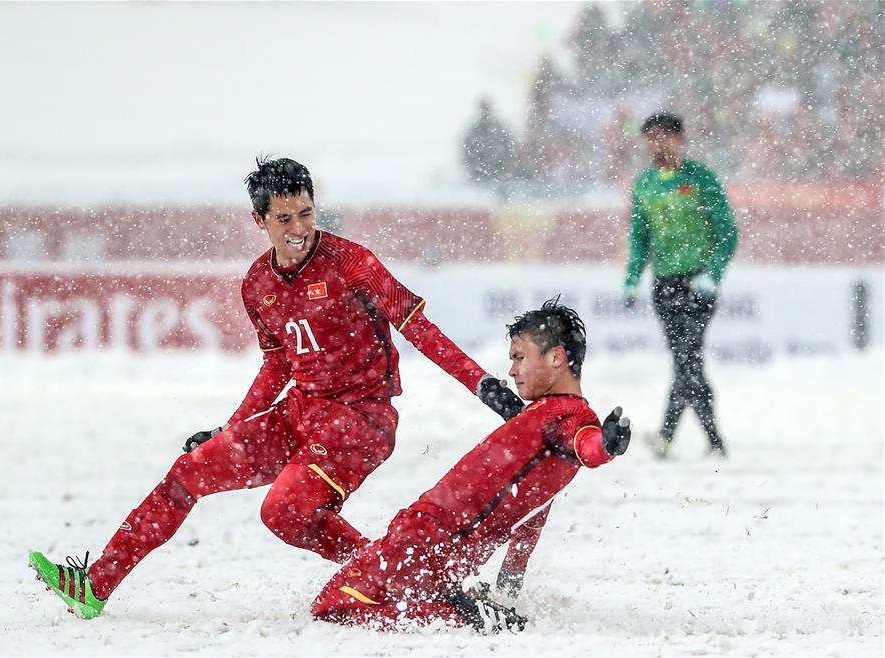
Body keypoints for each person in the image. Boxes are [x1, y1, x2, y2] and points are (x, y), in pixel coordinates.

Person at [28, 156, 524, 619]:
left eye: (306, 214)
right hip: (300, 413)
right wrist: (230, 427)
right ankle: (93, 587)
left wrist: (483, 385)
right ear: (258, 221)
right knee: (189, 473)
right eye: (284, 218)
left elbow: (421, 330)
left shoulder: (355, 265)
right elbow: (275, 368)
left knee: (283, 510)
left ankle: (392, 581)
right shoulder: (256, 285)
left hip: (361, 421)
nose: (299, 229)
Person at [311, 298, 631, 633]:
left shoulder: (569, 415)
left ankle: (462, 614)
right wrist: (508, 590)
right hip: (431, 542)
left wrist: (607, 447)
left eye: (519, 358)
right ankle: (464, 607)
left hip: (428, 540)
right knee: (343, 604)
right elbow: (533, 516)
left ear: (556, 357)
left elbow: (588, 447)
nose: (511, 370)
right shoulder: (542, 420)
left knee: (331, 609)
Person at [623, 112, 738, 458]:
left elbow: (727, 232)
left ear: (680, 138)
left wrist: (712, 275)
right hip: (665, 284)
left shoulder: (701, 178)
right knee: (686, 361)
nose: (658, 144)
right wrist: (631, 279)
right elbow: (640, 237)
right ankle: (713, 441)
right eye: (651, 138)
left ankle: (668, 435)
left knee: (686, 357)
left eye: (665, 137)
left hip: (697, 282)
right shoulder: (644, 184)